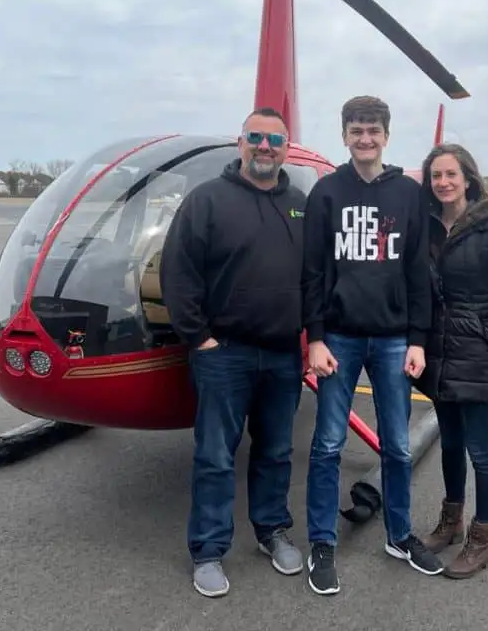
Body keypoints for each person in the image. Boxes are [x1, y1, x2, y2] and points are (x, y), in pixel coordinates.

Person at [159, 107, 309, 598]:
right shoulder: (207, 201)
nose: (266, 147)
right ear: (240, 143)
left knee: (276, 452)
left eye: (275, 140)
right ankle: (208, 550)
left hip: (284, 354)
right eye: (256, 137)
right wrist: (199, 337)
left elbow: (315, 277)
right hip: (225, 354)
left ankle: (271, 531)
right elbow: (178, 273)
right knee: (216, 456)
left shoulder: (299, 204)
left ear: (287, 147)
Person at [301, 95, 444, 596]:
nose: (365, 138)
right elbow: (313, 272)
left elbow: (417, 273)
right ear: (344, 135)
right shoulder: (326, 193)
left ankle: (399, 535)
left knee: (399, 446)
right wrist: (315, 337)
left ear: (387, 136)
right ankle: (322, 541)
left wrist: (417, 340)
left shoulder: (407, 194)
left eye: (374, 130)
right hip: (338, 337)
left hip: (391, 339)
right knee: (327, 445)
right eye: (357, 130)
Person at [413, 142, 488, 579]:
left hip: (478, 354)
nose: (443, 183)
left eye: (450, 174)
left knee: (480, 450)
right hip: (440, 355)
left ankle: (481, 541)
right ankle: (450, 521)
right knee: (449, 444)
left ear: (468, 178)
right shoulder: (426, 225)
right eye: (436, 176)